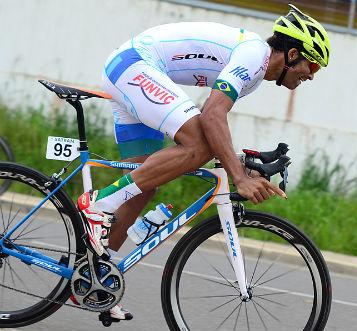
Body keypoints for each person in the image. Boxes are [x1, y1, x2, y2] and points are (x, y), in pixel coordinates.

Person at [77, 3, 331, 321]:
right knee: (196, 144)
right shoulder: (255, 57)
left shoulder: (253, 72)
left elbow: (213, 127)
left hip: (134, 69)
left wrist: (243, 164)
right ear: (293, 54)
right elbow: (211, 118)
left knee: (142, 186)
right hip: (134, 67)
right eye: (314, 66)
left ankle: (96, 277)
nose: (312, 75)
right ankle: (99, 204)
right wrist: (239, 176)